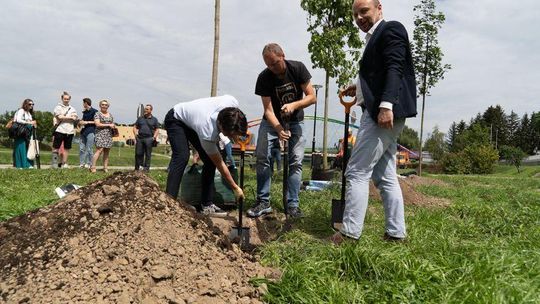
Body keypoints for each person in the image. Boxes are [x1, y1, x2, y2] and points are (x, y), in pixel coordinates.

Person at [331, 0, 417, 244]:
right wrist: (357, 87)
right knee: (385, 177)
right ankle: (396, 233)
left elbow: (395, 67)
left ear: (379, 7)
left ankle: (349, 234)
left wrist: (386, 105)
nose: (359, 17)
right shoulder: (374, 38)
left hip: (382, 113)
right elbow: (378, 73)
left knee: (356, 171)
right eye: (355, 14)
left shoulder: (390, 29)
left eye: (364, 11)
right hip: (380, 110)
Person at [247, 43, 316, 219]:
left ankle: (292, 205)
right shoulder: (264, 78)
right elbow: (268, 110)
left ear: (282, 56)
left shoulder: (298, 68)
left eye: (274, 63)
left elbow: (312, 97)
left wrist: (294, 105)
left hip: (296, 121)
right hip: (271, 122)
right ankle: (263, 201)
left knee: (295, 162)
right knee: (263, 157)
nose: (272, 68)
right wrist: (278, 128)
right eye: (268, 65)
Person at [164, 95, 246, 217]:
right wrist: (234, 186)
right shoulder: (208, 132)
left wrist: (240, 132)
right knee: (182, 156)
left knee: (209, 161)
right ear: (221, 127)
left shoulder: (231, 102)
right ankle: (169, 203)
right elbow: (220, 164)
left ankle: (206, 205)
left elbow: (237, 122)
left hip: (192, 121)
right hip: (176, 119)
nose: (232, 137)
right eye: (230, 134)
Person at [52, 91, 79, 168]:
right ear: (62, 99)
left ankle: (64, 163)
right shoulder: (58, 107)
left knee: (67, 148)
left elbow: (75, 118)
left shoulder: (72, 108)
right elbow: (59, 117)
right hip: (60, 129)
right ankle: (54, 164)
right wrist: (70, 117)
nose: (66, 100)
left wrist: (68, 117)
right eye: (65, 99)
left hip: (69, 131)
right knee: (56, 147)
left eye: (68, 99)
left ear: (69, 99)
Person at [90, 100, 116, 173]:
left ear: (108, 106)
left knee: (107, 151)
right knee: (99, 150)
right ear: (100, 105)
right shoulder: (97, 114)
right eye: (102, 104)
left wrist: (113, 126)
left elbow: (112, 123)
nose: (104, 106)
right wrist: (108, 125)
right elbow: (97, 124)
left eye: (106, 105)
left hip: (109, 134)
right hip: (100, 134)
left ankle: (105, 168)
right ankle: (93, 167)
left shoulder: (110, 115)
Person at [133, 104, 159, 171]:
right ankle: (137, 168)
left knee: (148, 154)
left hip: (149, 138)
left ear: (151, 110)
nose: (145, 110)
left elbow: (157, 129)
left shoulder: (154, 119)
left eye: (147, 109)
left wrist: (154, 137)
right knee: (138, 153)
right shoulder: (140, 118)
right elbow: (135, 127)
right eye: (145, 109)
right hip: (140, 138)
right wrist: (135, 134)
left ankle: (146, 169)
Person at [12, 99, 37, 169]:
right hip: (20, 132)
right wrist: (29, 122)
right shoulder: (21, 110)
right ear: (25, 104)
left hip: (27, 132)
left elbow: (30, 121)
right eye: (29, 104)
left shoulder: (29, 113)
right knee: (20, 147)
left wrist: (33, 124)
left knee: (27, 147)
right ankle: (20, 165)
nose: (31, 106)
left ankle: (27, 164)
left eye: (32, 104)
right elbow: (18, 120)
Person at [78, 98, 98, 168]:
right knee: (81, 148)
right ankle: (81, 163)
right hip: (83, 131)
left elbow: (96, 122)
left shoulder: (95, 111)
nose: (83, 105)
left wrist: (87, 122)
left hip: (91, 131)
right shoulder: (84, 112)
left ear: (86, 103)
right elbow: (83, 120)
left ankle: (89, 163)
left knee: (89, 148)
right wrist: (81, 122)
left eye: (83, 103)